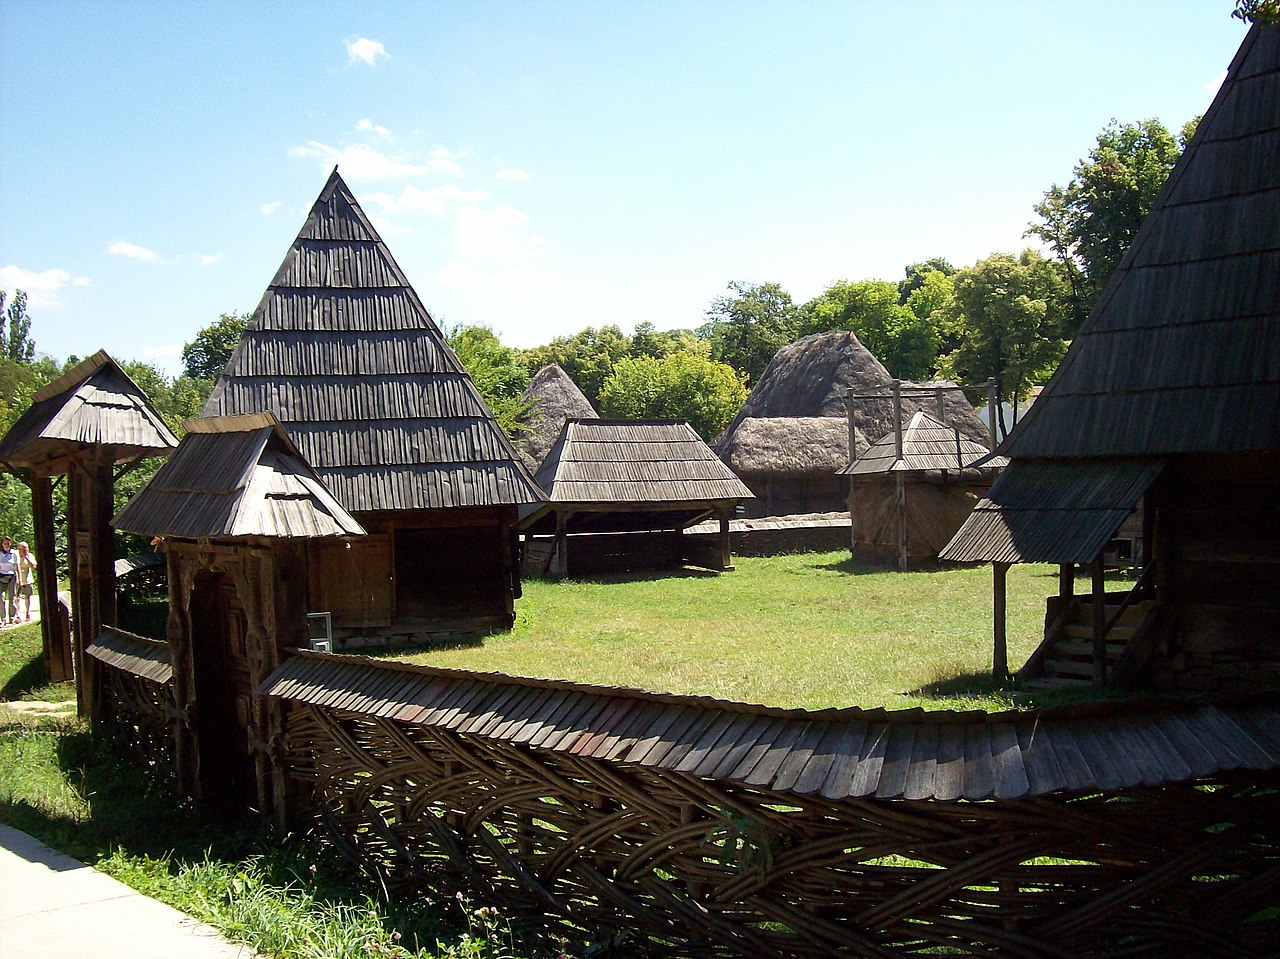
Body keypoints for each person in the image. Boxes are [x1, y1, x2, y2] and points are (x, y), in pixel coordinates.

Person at [16, 541, 36, 622]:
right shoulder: (16, 556)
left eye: (26, 548)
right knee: (16, 598)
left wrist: (26, 557)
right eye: (23, 549)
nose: (25, 550)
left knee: (27, 598)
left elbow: (34, 566)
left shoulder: (30, 556)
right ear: (19, 549)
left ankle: (27, 614)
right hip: (17, 580)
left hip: (27, 580)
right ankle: (17, 616)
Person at [0, 537, 17, 625]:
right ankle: (3, 619)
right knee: (1, 597)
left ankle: (12, 618)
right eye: (5, 543)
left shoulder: (14, 553)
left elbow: (16, 566)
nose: (6, 545)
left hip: (12, 576)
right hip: (2, 576)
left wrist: (20, 580)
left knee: (12, 598)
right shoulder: (0, 554)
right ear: (2, 544)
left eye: (8, 543)